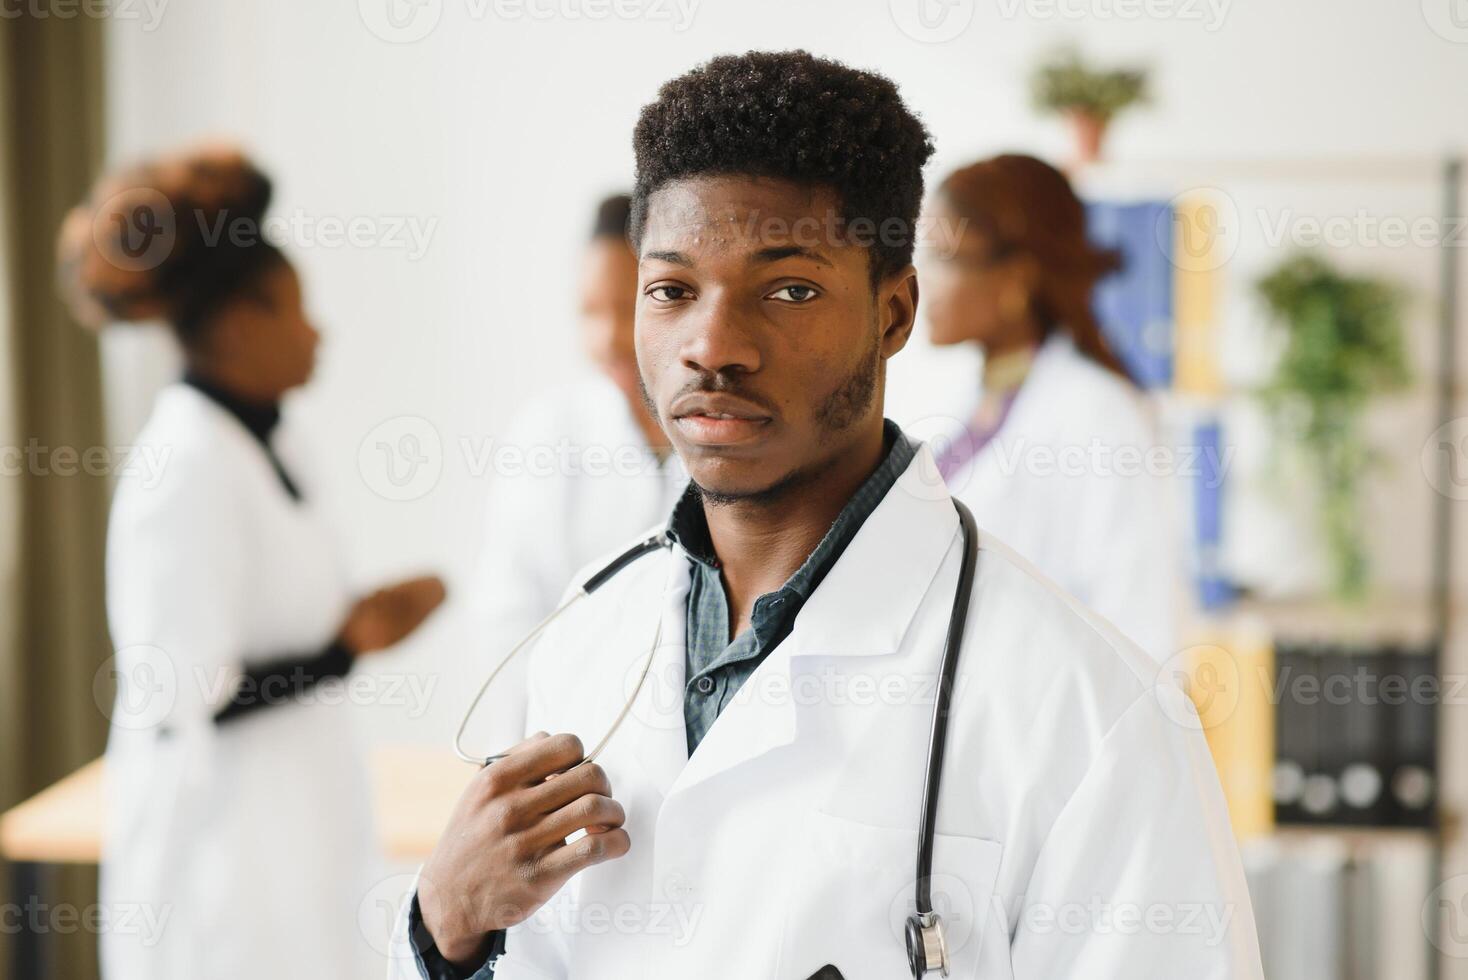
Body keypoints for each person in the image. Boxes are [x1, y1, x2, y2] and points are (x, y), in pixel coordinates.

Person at [394, 51, 1261, 979]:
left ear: (893, 313)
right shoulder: (583, 640)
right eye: (671, 290)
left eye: (790, 290)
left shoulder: (1093, 716)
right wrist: (445, 935)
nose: (712, 347)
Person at [57, 145, 446, 980]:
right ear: (238, 326)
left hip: (296, 820)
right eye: (295, 311)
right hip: (218, 852)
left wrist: (359, 623)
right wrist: (349, 646)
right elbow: (188, 691)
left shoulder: (277, 438)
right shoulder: (183, 466)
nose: (318, 331)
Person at [919, 154, 1175, 660]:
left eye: (945, 257)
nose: (920, 279)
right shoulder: (970, 406)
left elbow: (1140, 619)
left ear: (1016, 276)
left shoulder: (1096, 412)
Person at [464, 194, 685, 746]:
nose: (606, 336)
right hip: (570, 741)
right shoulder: (552, 430)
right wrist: (513, 762)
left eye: (627, 306)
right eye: (589, 311)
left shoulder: (727, 428)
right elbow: (509, 616)